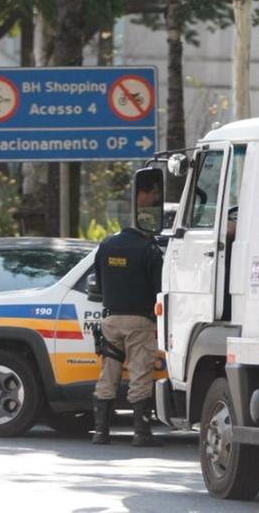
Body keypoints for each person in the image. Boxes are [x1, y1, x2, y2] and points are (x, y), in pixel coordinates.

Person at [90, 174, 164, 447]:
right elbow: (160, 289)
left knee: (107, 376)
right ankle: (141, 434)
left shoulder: (107, 245)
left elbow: (97, 281)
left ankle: (100, 432)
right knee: (140, 376)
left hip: (110, 320)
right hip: (139, 323)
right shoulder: (149, 250)